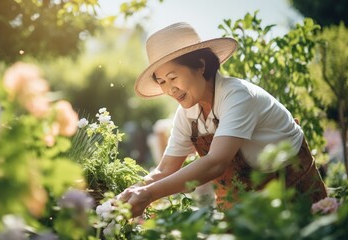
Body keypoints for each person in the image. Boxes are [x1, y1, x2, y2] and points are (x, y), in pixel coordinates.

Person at [118, 22, 327, 217]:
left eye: (173, 77)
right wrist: (135, 190)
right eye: (162, 81)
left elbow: (216, 163)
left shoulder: (237, 95)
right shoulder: (186, 115)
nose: (169, 89)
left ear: (200, 65)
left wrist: (149, 194)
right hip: (245, 205)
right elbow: (164, 170)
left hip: (293, 192)